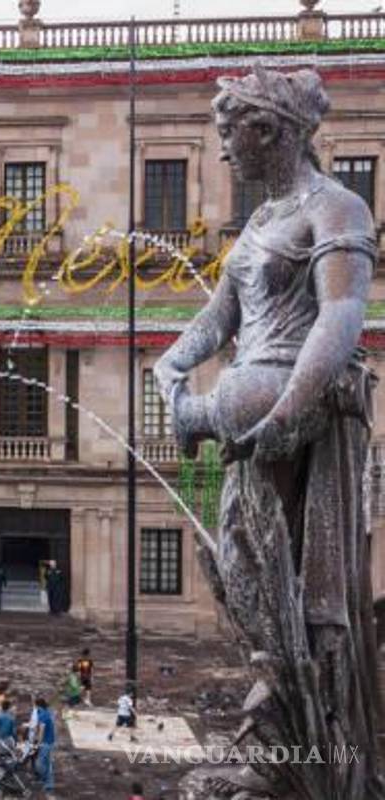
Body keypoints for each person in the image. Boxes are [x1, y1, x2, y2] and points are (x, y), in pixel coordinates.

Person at [154, 67, 381, 792]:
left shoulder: (339, 207)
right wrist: (172, 360)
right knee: (245, 562)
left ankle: (307, 727)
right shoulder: (257, 223)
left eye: (229, 134)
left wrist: (286, 409)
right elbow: (219, 315)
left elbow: (340, 318)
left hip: (292, 399)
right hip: (252, 397)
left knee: (270, 560)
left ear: (267, 130)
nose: (223, 149)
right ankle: (280, 699)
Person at [31, 696, 56, 793]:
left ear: (37, 705)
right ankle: (45, 780)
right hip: (49, 740)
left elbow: (41, 730)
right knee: (45, 762)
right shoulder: (46, 712)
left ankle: (48, 784)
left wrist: (38, 743)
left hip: (46, 742)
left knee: (42, 763)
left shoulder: (42, 715)